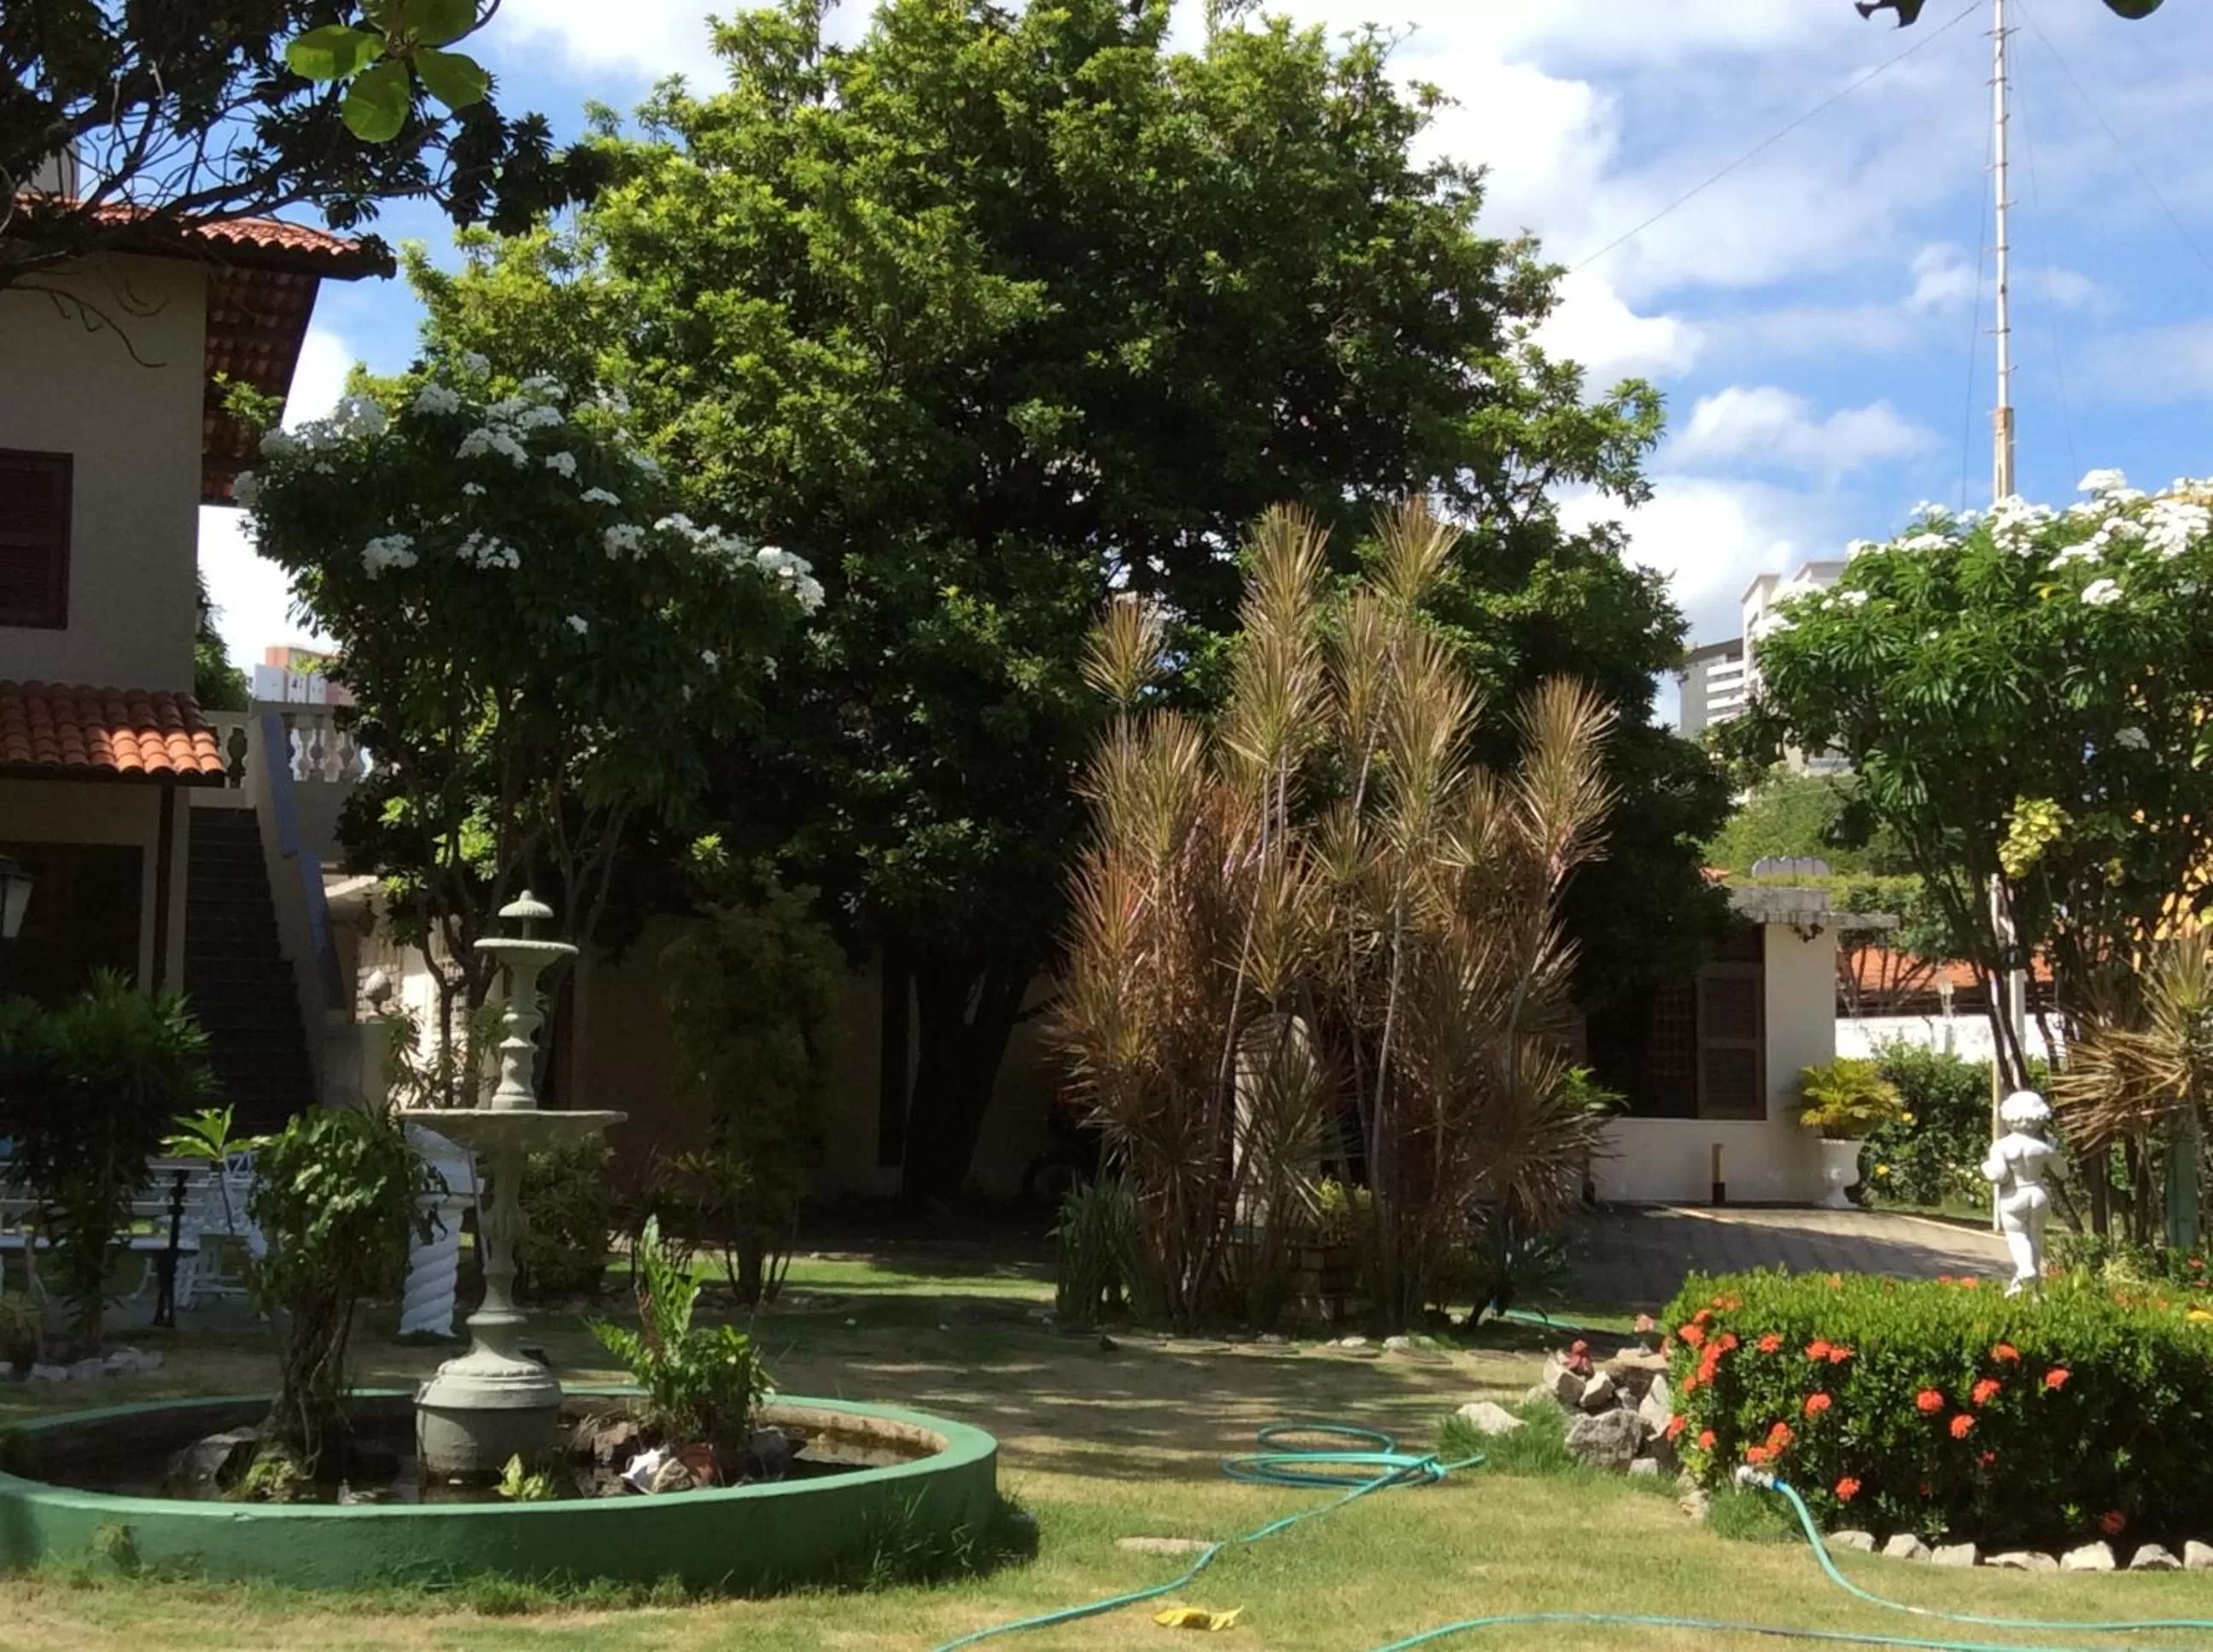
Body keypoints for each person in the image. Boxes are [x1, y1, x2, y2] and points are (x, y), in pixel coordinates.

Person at [1982, 1089, 2058, 1296]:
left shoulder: (2001, 1146)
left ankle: (2026, 1269)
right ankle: (2032, 1286)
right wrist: (2053, 1150)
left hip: (2014, 1195)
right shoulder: (2042, 1148)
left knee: (2016, 1235)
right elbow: (2062, 1172)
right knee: (2035, 1237)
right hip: (2037, 1193)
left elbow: (1999, 1175)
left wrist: (1985, 1168)